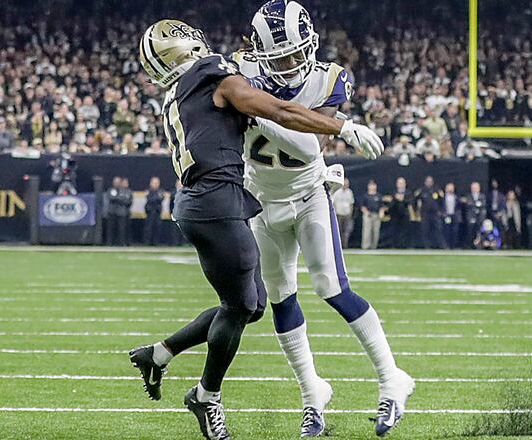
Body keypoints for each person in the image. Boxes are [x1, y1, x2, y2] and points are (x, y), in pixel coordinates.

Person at [127, 17, 384, 440]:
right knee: (241, 306)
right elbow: (279, 110)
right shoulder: (211, 76)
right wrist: (343, 126)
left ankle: (160, 353)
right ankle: (206, 396)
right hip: (217, 203)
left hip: (200, 203)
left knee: (252, 302)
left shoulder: (181, 89)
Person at [236, 3, 412, 435]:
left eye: (297, 54)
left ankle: (392, 378)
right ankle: (311, 394)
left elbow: (307, 145)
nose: (291, 65)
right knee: (281, 297)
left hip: (308, 194)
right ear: (260, 53)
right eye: (281, 58)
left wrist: (258, 112)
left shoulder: (329, 79)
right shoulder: (240, 71)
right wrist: (264, 111)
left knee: (331, 287)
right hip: (261, 200)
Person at [415, 175, 445, 249]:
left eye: (430, 181)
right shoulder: (421, 191)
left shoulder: (437, 190)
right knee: (425, 231)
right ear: (425, 182)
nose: (429, 183)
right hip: (425, 214)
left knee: (439, 230)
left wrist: (441, 211)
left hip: (435, 214)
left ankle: (441, 245)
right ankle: (427, 246)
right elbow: (416, 200)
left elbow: (442, 201)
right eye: (428, 181)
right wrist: (417, 211)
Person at [388, 177, 413, 248]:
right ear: (397, 184)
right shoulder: (393, 192)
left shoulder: (409, 193)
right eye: (399, 183)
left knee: (405, 231)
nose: (401, 185)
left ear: (405, 184)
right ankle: (395, 245)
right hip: (395, 215)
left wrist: (402, 199)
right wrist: (396, 199)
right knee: (394, 231)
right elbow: (391, 204)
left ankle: (404, 245)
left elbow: (410, 202)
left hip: (405, 215)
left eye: (402, 183)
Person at [360, 180, 384, 250]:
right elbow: (362, 206)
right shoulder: (365, 196)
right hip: (368, 215)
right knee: (367, 231)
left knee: (376, 232)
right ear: (368, 186)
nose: (372, 187)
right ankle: (365, 246)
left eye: (374, 185)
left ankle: (374, 246)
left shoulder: (379, 196)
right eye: (371, 185)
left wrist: (381, 213)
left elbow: (381, 206)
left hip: (376, 216)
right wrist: (366, 212)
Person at [462, 182, 487, 249]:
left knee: (479, 231)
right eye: (473, 188)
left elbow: (483, 205)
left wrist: (473, 204)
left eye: (476, 188)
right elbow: (468, 205)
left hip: (480, 217)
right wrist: (476, 204)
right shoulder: (468, 196)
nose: (474, 189)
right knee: (470, 231)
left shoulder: (482, 196)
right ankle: (469, 245)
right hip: (471, 217)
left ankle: (479, 245)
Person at [332, 178, 355, 248]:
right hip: (339, 213)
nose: (345, 185)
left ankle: (345, 245)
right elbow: (334, 203)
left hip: (347, 214)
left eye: (347, 184)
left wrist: (350, 213)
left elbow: (351, 203)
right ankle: (338, 245)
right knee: (338, 230)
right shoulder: (337, 192)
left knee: (346, 231)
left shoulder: (349, 192)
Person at [143, 177, 164, 245]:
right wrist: (155, 198)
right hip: (150, 212)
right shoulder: (148, 190)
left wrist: (153, 198)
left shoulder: (161, 191)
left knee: (157, 228)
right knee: (148, 228)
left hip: (157, 212)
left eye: (157, 183)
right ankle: (147, 242)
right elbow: (149, 199)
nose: (155, 184)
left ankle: (156, 242)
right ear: (151, 183)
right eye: (154, 183)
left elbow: (161, 198)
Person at [441, 182, 461, 248]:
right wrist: (443, 214)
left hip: (454, 216)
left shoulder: (456, 197)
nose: (450, 190)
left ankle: (454, 245)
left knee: (455, 231)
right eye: (449, 188)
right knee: (446, 231)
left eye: (451, 188)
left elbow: (459, 207)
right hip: (446, 216)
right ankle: (446, 245)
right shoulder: (442, 197)